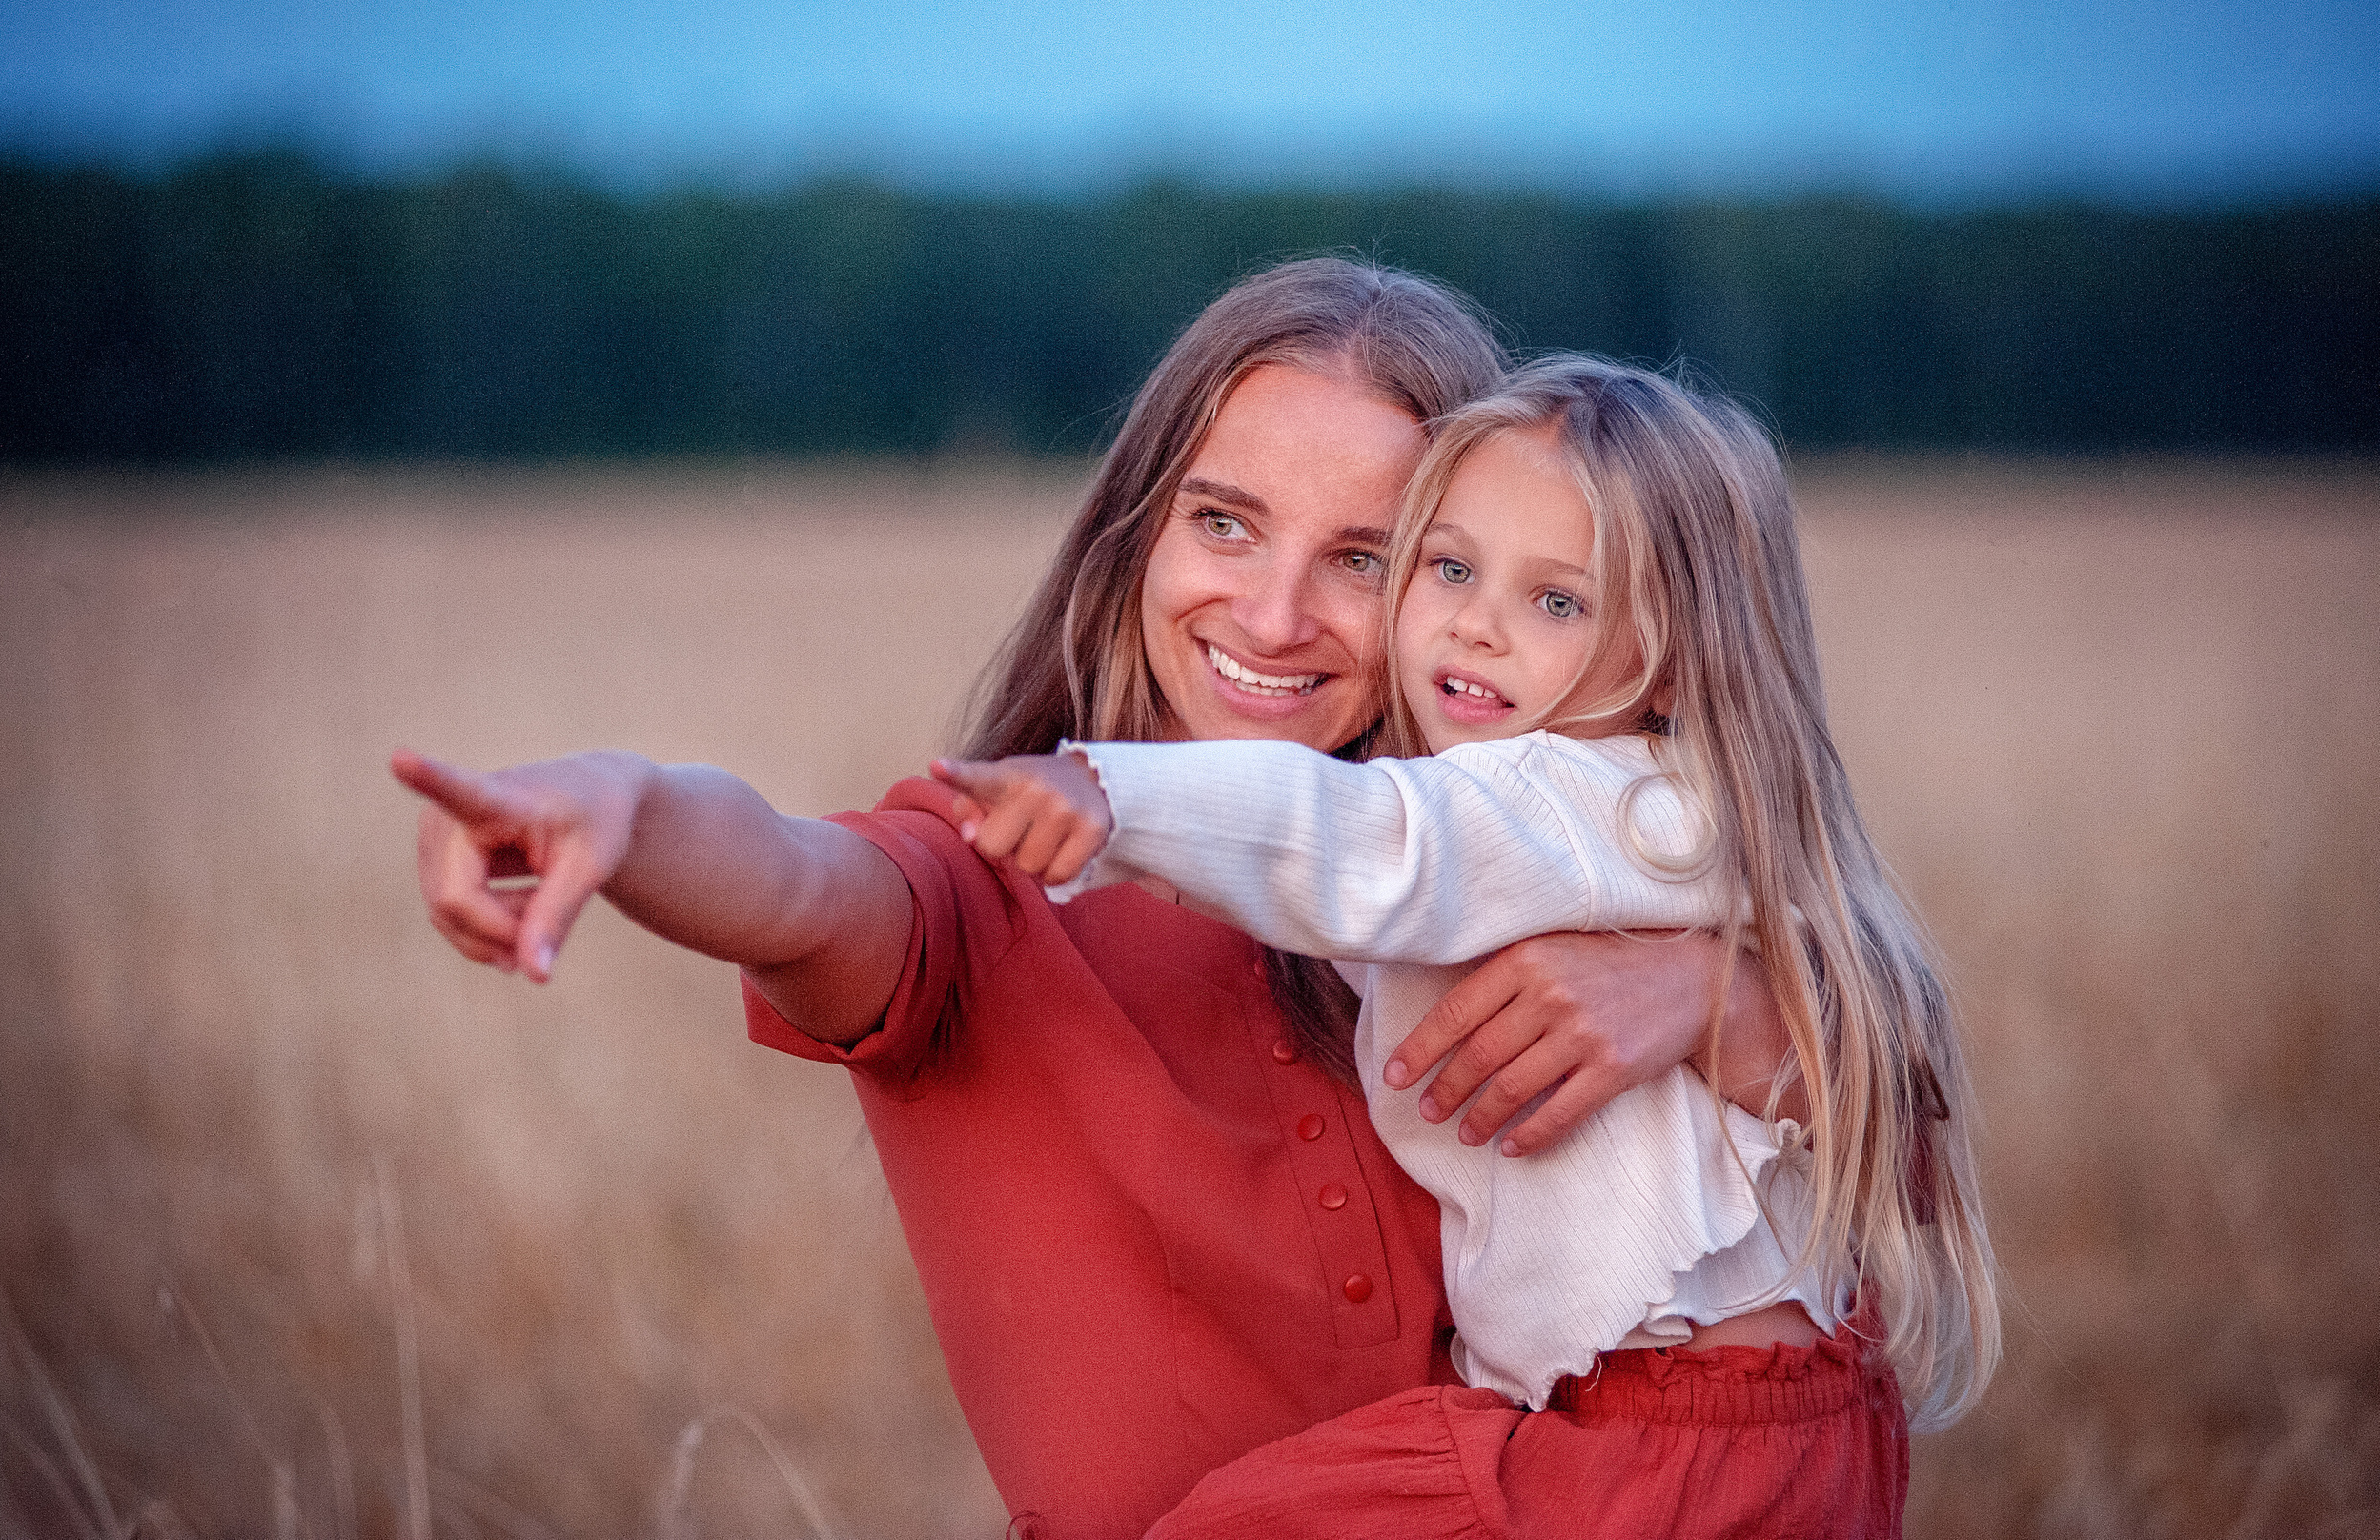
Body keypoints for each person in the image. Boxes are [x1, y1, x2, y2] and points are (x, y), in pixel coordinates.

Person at [392, 261, 1794, 1539]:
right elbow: (800, 884)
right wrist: (628, 810)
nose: (1270, 614)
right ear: (1133, 533)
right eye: (1225, 525)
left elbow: (1878, 1190)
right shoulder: (993, 875)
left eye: (1364, 561)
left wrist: (1714, 995)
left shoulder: (1537, 856)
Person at [934, 355, 2001, 1538]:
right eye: (1446, 568)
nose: (1479, 627)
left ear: (1675, 655)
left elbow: (1356, 838)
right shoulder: (1683, 805)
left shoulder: (1542, 799)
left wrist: (1111, 794)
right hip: (1796, 1425)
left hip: (1665, 1441)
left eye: (1558, 603)